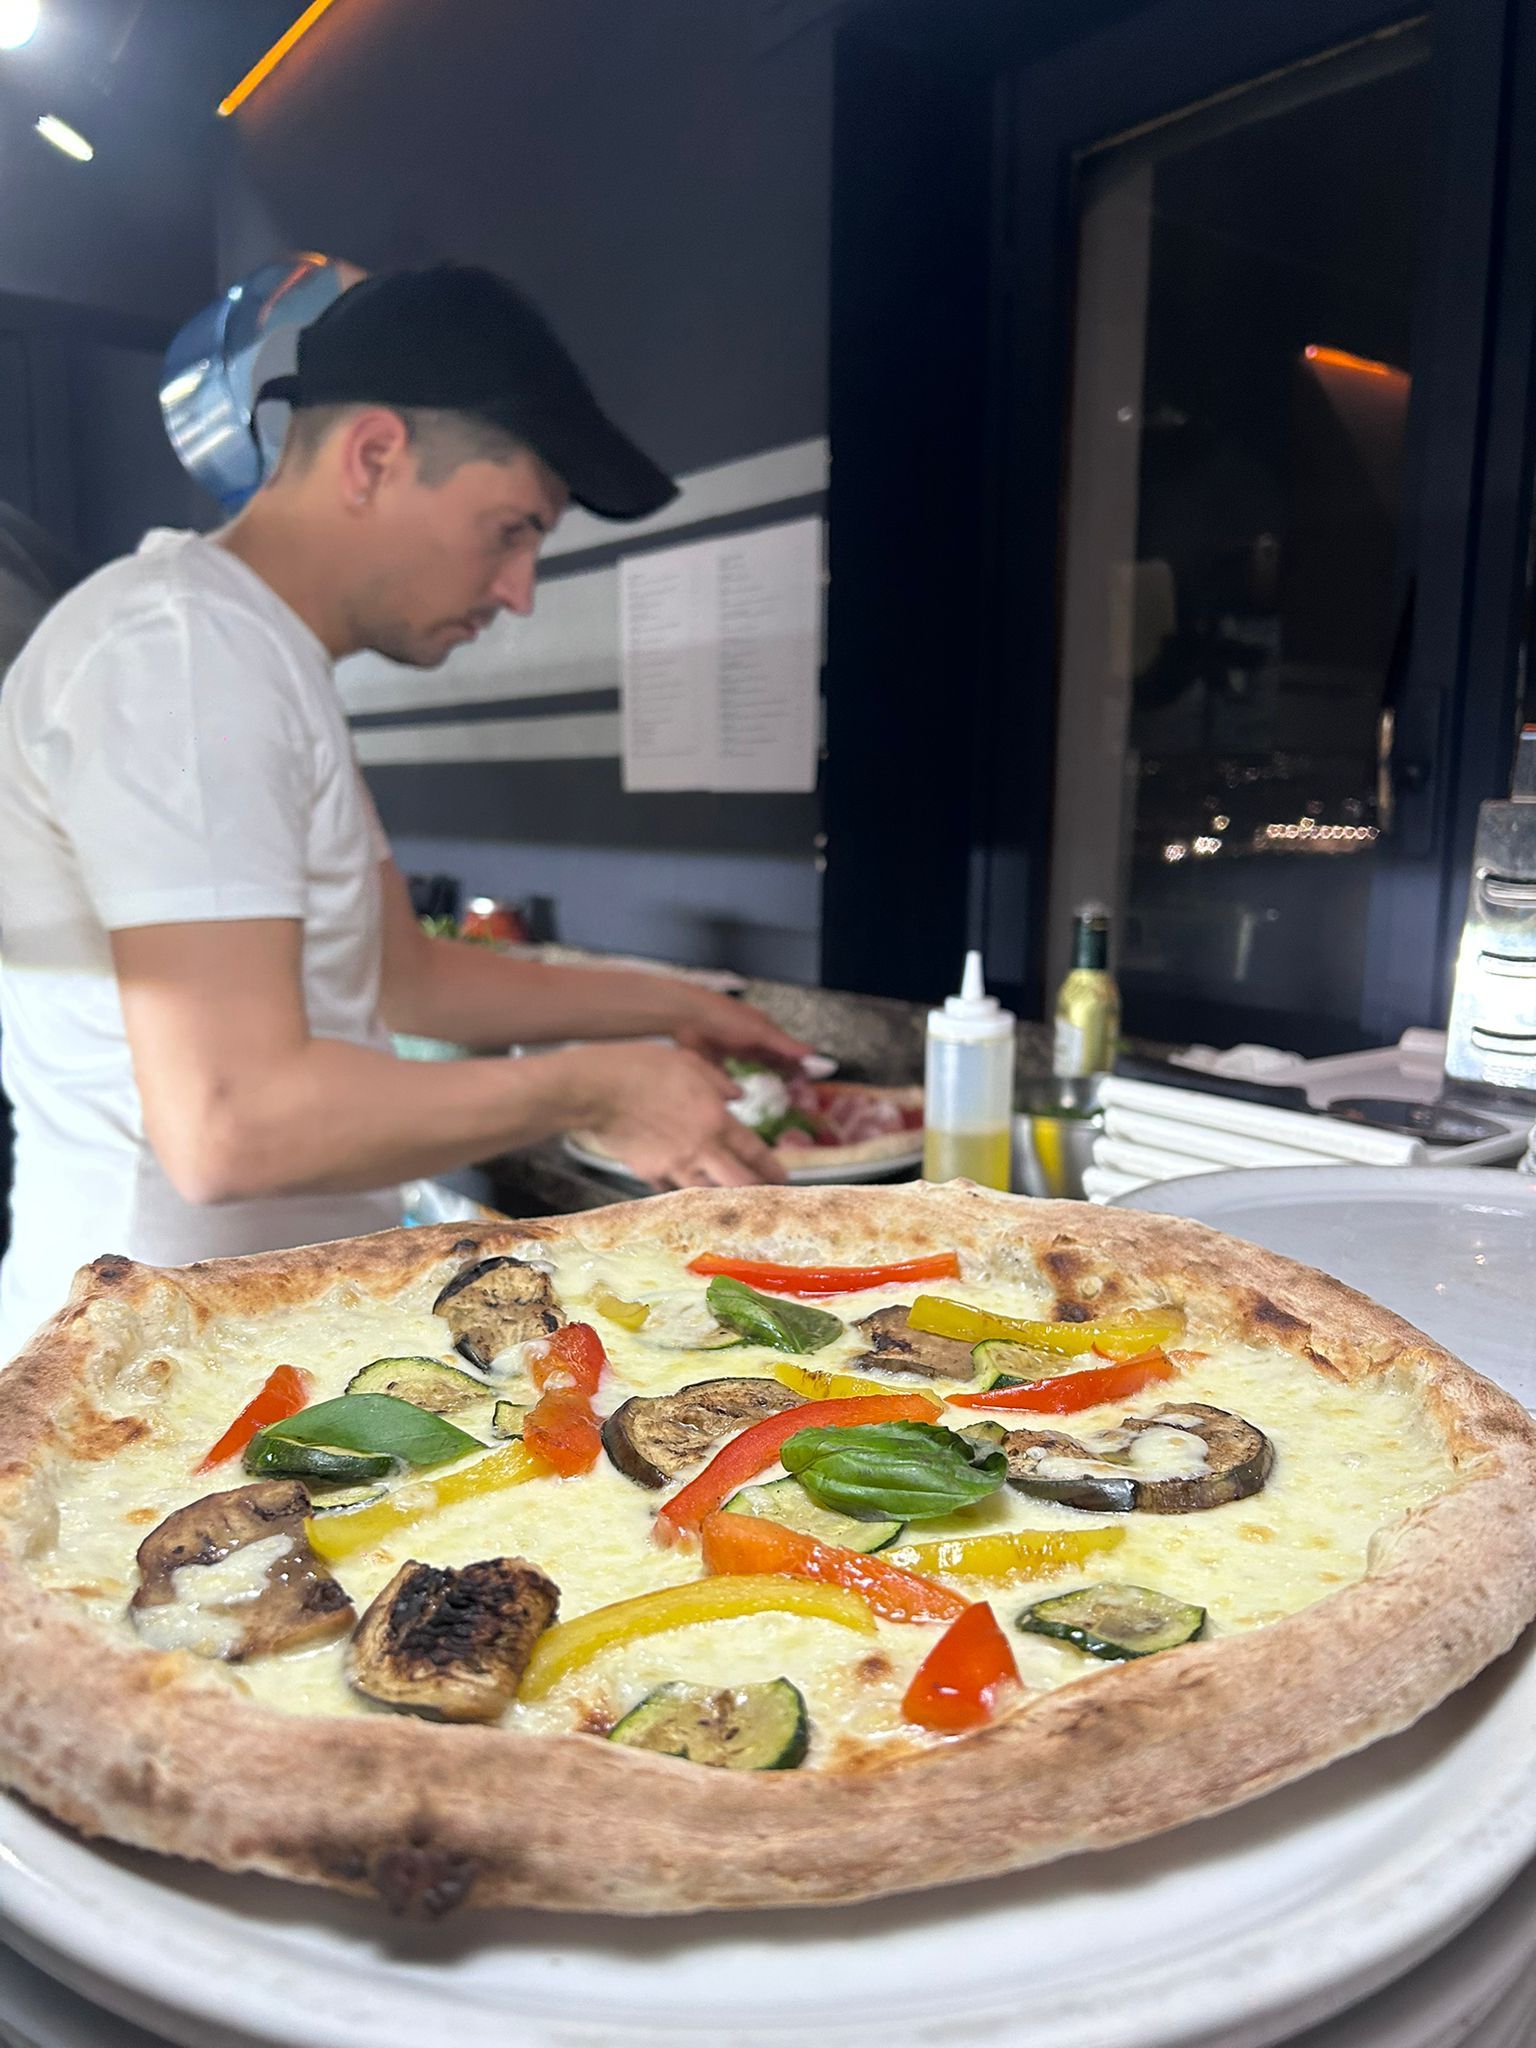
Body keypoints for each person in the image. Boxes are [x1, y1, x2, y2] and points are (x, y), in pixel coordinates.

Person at [0, 264, 807, 1357]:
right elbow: (228, 1121)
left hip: (262, 1320)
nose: (520, 589)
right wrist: (594, 1086)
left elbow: (404, 976)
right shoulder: (183, 656)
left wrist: (665, 1004)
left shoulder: (255, 655)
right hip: (153, 1349)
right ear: (375, 455)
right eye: (512, 528)